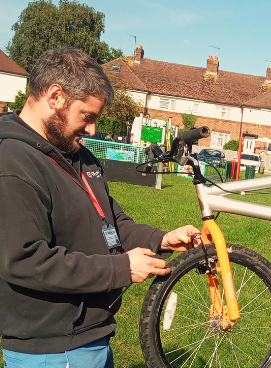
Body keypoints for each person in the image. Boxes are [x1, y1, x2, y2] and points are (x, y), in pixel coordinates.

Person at [0, 47, 200, 367]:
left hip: (91, 339)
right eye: (87, 116)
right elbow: (25, 260)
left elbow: (113, 223)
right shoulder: (12, 161)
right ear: (55, 96)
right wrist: (121, 269)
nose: (92, 129)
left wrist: (162, 240)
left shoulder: (78, 155)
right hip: (52, 350)